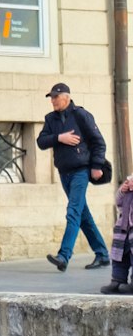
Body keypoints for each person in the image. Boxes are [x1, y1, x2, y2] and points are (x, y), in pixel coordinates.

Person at [36, 82, 109, 271]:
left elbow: (99, 142)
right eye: (51, 97)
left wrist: (96, 166)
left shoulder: (81, 115)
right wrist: (59, 138)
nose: (52, 101)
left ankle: (64, 255)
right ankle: (102, 254)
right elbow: (41, 142)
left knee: (73, 211)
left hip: (81, 171)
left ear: (66, 97)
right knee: (83, 215)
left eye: (55, 97)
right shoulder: (50, 119)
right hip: (64, 172)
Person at [102, 173, 133, 293]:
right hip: (124, 227)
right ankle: (117, 280)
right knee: (119, 256)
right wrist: (123, 190)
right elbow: (118, 201)